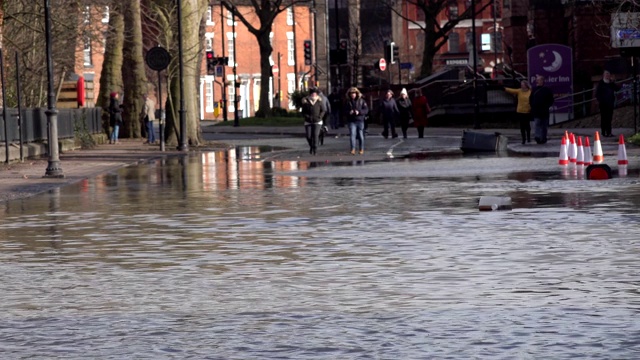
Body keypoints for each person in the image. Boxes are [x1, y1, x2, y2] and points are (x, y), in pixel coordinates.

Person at [505, 80, 532, 144]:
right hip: (520, 110)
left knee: (527, 125)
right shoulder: (519, 91)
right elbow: (512, 90)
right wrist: (505, 89)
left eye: (522, 84)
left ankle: (528, 137)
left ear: (526, 85)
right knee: (522, 126)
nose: (521, 85)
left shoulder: (530, 92)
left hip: (527, 110)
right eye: (521, 84)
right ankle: (523, 139)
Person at [529, 74, 554, 144]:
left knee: (544, 125)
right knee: (537, 123)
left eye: (539, 80)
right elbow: (530, 99)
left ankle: (543, 138)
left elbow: (551, 99)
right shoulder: (534, 89)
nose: (537, 81)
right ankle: (537, 137)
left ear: (542, 81)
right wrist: (532, 106)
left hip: (544, 110)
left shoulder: (547, 90)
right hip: (537, 111)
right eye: (537, 80)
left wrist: (547, 106)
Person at [343, 87, 369, 155]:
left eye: (354, 93)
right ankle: (353, 149)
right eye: (351, 93)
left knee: (360, 135)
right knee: (352, 135)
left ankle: (361, 149)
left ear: (357, 94)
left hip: (360, 120)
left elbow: (366, 110)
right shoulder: (347, 101)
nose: (353, 95)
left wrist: (359, 112)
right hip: (351, 121)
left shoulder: (361, 101)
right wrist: (349, 112)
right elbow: (343, 111)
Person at [595, 69, 620, 137]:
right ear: (603, 75)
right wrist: (600, 100)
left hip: (610, 103)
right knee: (603, 118)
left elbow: (617, 89)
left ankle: (609, 132)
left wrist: (613, 82)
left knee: (609, 118)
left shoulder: (611, 83)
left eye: (608, 74)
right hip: (603, 104)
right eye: (606, 74)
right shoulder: (601, 83)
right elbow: (597, 94)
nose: (607, 75)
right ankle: (603, 132)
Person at [301, 88, 326, 155]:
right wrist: (306, 116)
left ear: (317, 94)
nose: (313, 94)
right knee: (308, 136)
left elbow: (323, 110)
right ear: (310, 94)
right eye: (312, 93)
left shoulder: (319, 101)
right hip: (308, 121)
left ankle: (315, 149)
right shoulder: (306, 101)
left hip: (317, 121)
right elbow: (303, 111)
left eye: (315, 93)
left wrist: (320, 117)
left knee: (315, 135)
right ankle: (311, 146)